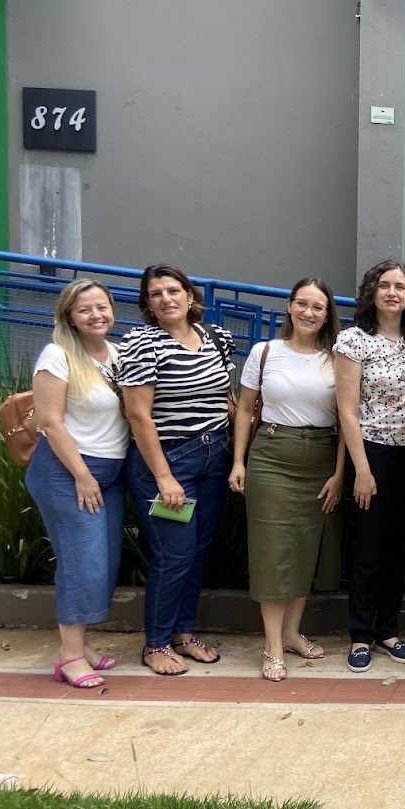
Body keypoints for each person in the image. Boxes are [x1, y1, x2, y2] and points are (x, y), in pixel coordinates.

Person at [119, 264, 234, 675]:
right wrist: (165, 477)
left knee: (197, 550)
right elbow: (138, 416)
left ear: (190, 295)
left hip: (214, 457)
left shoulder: (216, 337)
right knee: (174, 553)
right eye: (156, 294)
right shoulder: (141, 344)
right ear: (147, 304)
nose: (166, 299)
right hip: (167, 464)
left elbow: (226, 396)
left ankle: (184, 635)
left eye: (173, 290)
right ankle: (155, 644)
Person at [229, 277, 345, 681]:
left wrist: (340, 472)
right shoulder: (265, 353)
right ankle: (273, 645)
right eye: (302, 304)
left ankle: (293, 633)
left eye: (318, 306)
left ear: (328, 313)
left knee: (305, 550)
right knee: (273, 551)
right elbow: (244, 410)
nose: (309, 313)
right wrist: (238, 461)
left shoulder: (337, 358)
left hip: (321, 458)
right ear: (290, 307)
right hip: (272, 456)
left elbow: (348, 421)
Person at [25, 279, 129, 689]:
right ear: (69, 315)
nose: (95, 315)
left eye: (101, 307)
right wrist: (82, 477)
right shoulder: (57, 354)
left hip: (110, 474)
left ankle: (81, 645)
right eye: (85, 309)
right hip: (68, 473)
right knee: (80, 562)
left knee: (102, 562)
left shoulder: (116, 354)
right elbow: (49, 421)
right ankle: (69, 657)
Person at [333, 260, 405, 672]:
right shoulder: (354, 341)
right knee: (370, 548)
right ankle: (360, 635)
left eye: (401, 287)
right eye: (385, 285)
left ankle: (388, 631)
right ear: (372, 292)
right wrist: (362, 470)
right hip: (372, 452)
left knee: (397, 547)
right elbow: (347, 410)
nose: (393, 292)